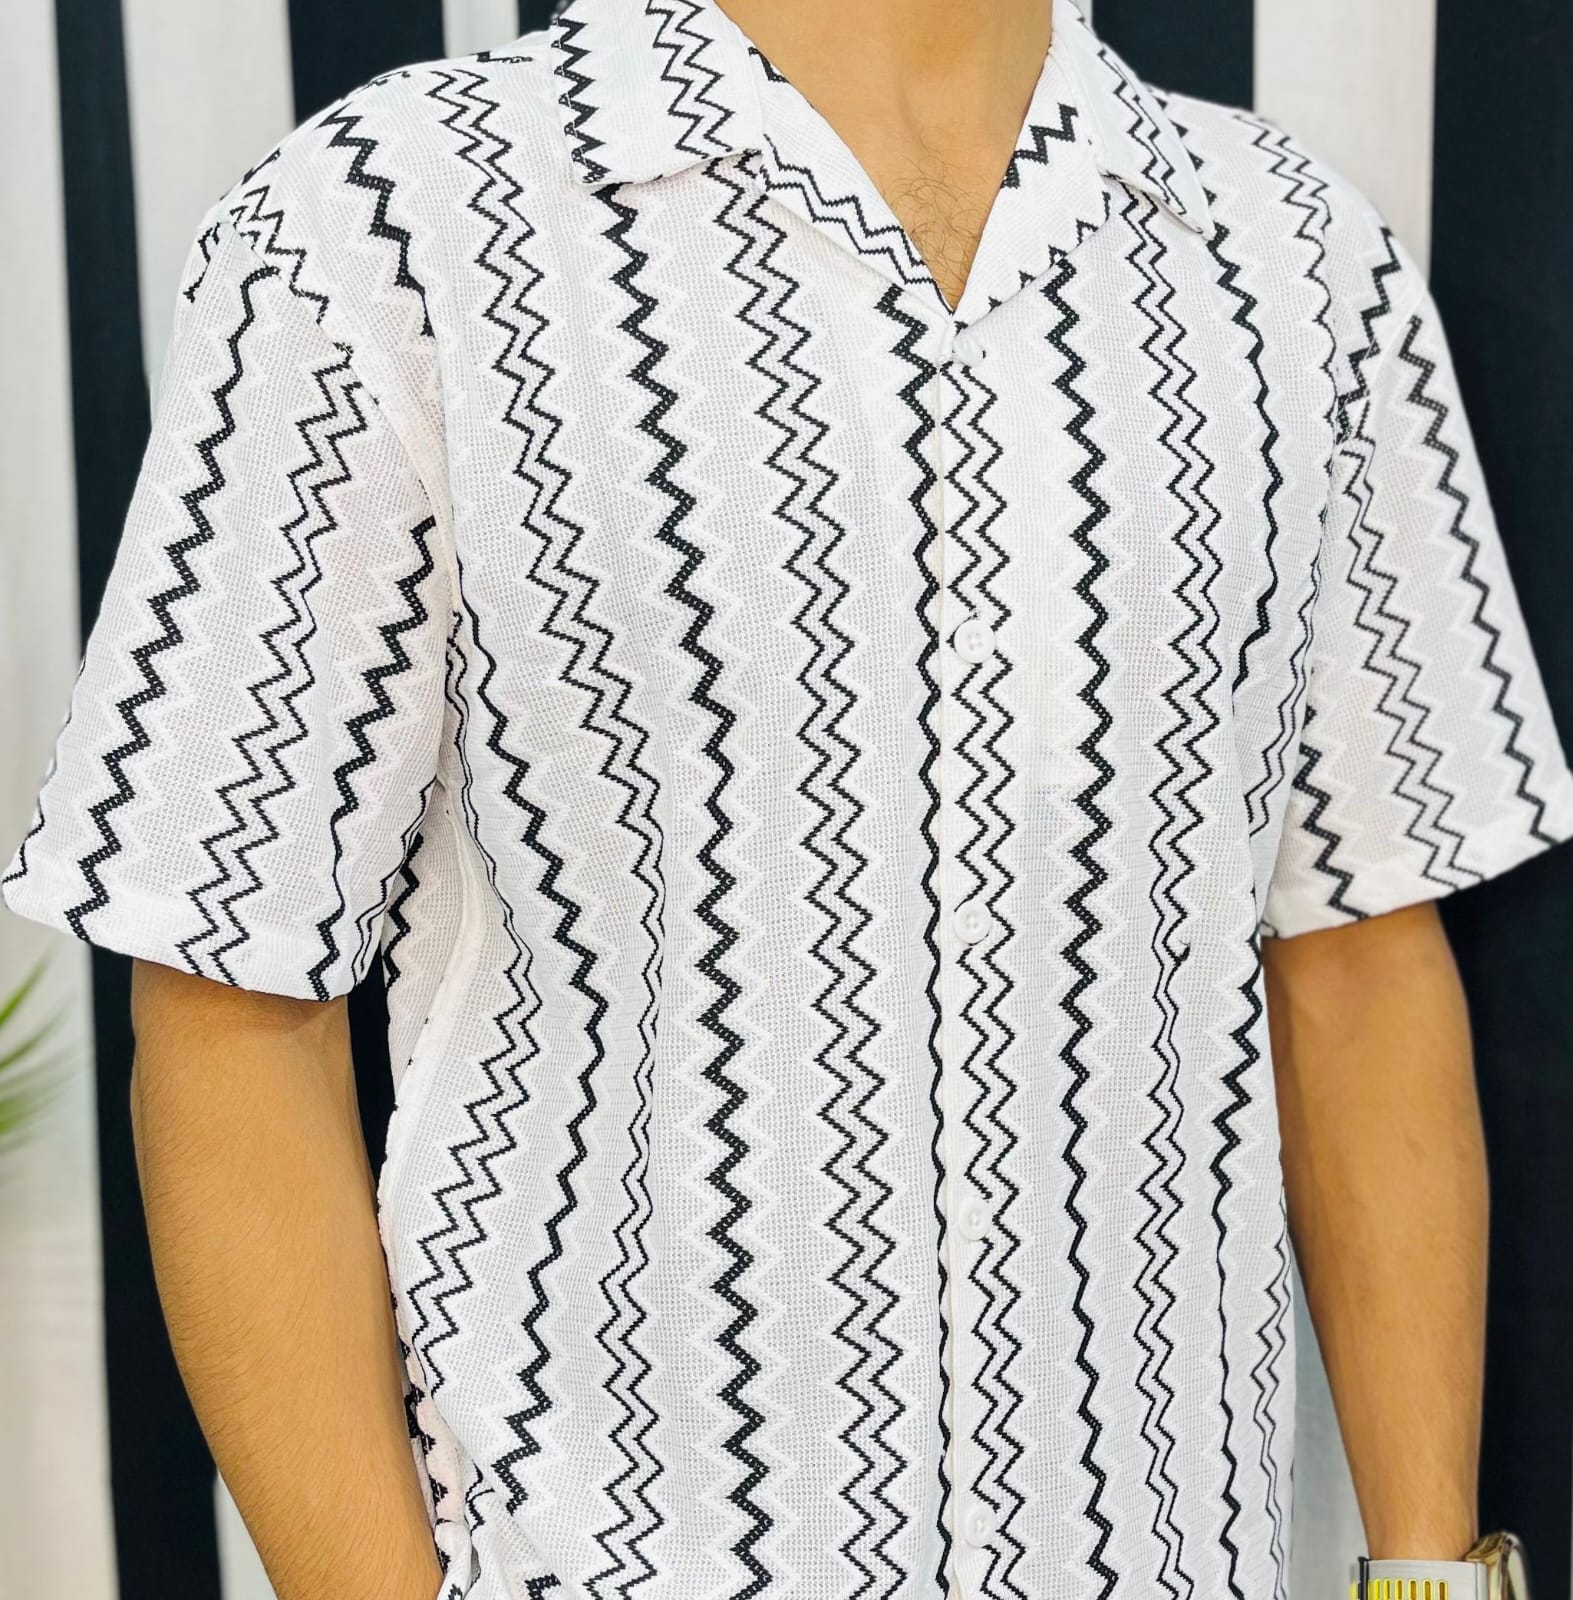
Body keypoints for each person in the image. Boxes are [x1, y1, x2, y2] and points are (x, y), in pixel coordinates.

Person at [4, 0, 1568, 1596]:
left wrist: (1428, 1576)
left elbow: (1358, 943)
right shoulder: (395, 221)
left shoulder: (1295, 257)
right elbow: (227, 987)